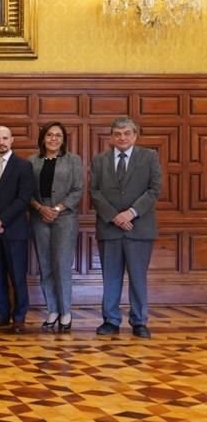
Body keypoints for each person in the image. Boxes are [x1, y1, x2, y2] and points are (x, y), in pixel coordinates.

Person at [91, 117, 161, 339]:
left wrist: (130, 213)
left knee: (138, 277)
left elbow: (154, 189)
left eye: (127, 133)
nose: (122, 138)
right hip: (109, 228)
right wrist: (114, 216)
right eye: (118, 134)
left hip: (139, 228)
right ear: (111, 137)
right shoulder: (100, 160)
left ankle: (139, 321)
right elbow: (94, 192)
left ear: (135, 135)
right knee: (110, 277)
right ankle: (110, 320)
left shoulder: (149, 157)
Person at [28, 122, 83, 333]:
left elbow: (78, 190)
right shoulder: (33, 161)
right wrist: (41, 208)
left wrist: (57, 208)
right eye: (49, 135)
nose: (53, 139)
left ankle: (65, 312)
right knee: (45, 264)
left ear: (63, 139)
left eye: (58, 135)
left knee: (61, 264)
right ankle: (52, 309)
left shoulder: (73, 160)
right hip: (39, 216)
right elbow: (26, 191)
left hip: (65, 218)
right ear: (43, 138)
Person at [0, 125, 34, 333]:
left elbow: (23, 198)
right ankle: (1, 314)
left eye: (5, 138)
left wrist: (1, 220)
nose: (1, 142)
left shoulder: (23, 166)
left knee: (17, 275)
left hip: (14, 229)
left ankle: (19, 316)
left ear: (11, 140)